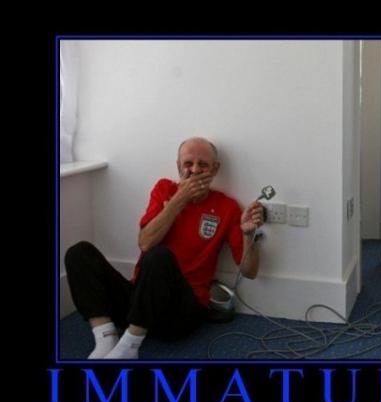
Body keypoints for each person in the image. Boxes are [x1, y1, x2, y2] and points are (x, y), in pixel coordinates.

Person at [64, 137, 265, 359]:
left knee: (159, 256)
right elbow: (145, 242)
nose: (194, 170)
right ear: (179, 166)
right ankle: (106, 338)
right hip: (141, 303)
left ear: (215, 169)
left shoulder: (227, 207)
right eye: (188, 164)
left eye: (203, 165)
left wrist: (248, 235)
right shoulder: (164, 189)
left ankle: (129, 347)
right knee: (78, 253)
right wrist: (180, 199)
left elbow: (250, 272)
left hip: (180, 312)